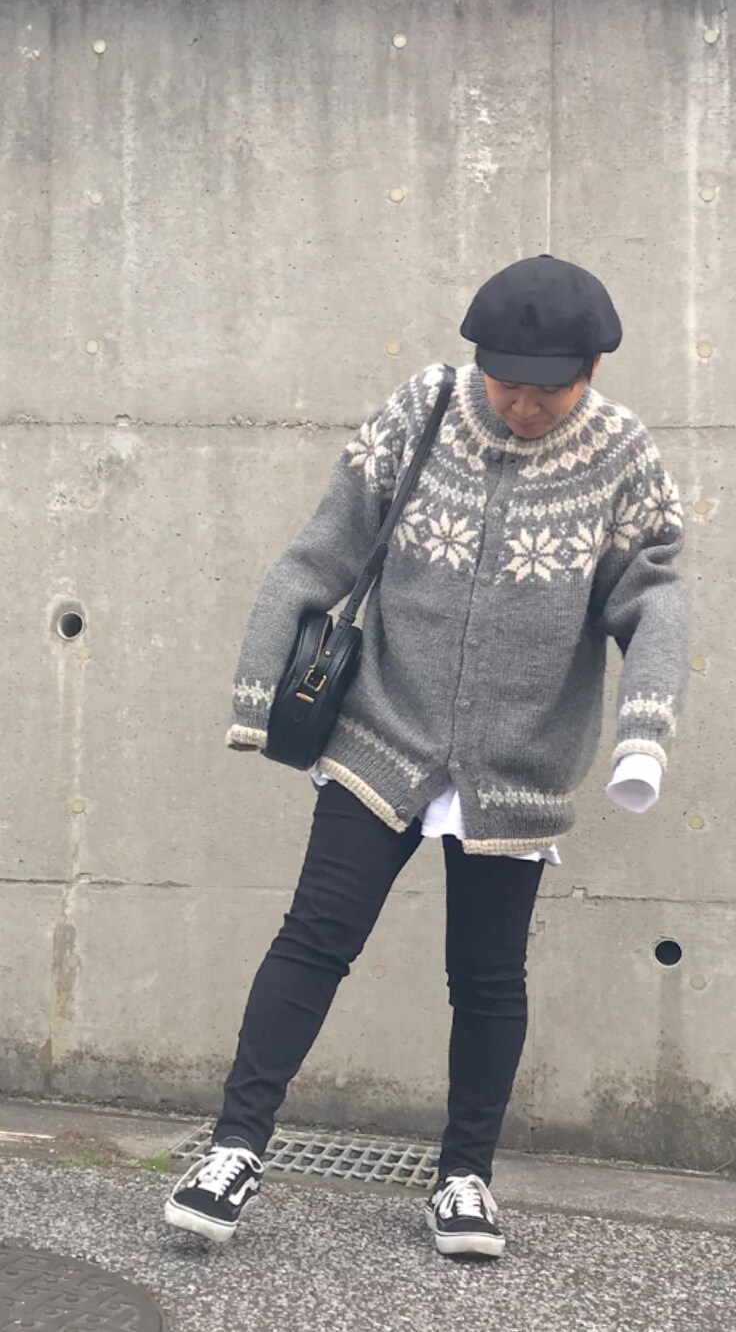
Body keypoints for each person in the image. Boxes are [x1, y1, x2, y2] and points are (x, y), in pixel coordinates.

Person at [164, 254, 687, 1258]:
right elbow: (322, 547)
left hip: (518, 763)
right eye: (507, 381)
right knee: (315, 937)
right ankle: (232, 1149)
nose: (523, 404)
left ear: (590, 370)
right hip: (381, 733)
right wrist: (257, 692)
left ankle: (463, 1178)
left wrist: (644, 734)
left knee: (486, 976)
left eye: (548, 387)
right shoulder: (423, 409)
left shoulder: (623, 455)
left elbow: (653, 598)